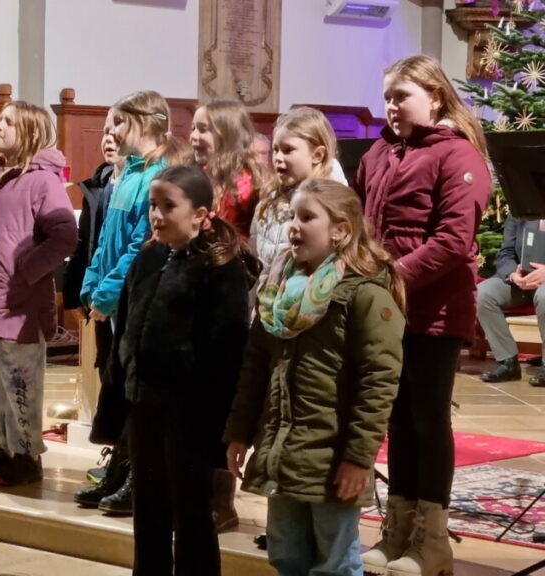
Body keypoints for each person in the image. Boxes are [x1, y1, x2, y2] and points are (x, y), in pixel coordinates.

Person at [226, 178, 405, 576]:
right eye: (292, 216)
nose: (294, 225)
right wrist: (240, 432)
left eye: (307, 217)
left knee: (334, 563)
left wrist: (358, 459)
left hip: (333, 457)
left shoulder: (364, 294)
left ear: (340, 230)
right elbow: (254, 369)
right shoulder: (277, 290)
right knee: (286, 555)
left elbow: (378, 383)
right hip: (284, 452)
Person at [356, 54, 491, 576]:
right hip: (385, 308)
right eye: (387, 97)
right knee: (397, 418)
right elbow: (364, 223)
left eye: (402, 96)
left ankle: (432, 541)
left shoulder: (458, 154)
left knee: (428, 420)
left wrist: (390, 279)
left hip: (435, 309)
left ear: (434, 98)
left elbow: (453, 241)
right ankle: (398, 529)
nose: (391, 106)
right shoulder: (379, 152)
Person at [111, 165, 254, 575]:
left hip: (191, 415)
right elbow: (127, 334)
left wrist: (226, 427)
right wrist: (119, 399)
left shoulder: (220, 269)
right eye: (153, 205)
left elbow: (228, 353)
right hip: (145, 407)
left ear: (200, 214)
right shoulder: (148, 258)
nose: (156, 215)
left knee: (192, 515)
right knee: (148, 511)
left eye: (168, 206)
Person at [79, 90, 185, 514]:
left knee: (134, 392)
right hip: (113, 298)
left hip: (136, 297)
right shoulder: (127, 172)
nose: (112, 132)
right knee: (117, 387)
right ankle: (119, 468)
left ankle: (137, 477)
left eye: (120, 123)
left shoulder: (158, 173)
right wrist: (91, 282)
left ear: (144, 123)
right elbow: (107, 237)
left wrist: (107, 293)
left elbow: (140, 246)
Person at [0, 101, 78, 487]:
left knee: (20, 385)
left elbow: (65, 236)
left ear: (30, 133)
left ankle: (27, 456)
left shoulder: (42, 181)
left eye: (9, 123)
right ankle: (2, 448)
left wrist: (26, 272)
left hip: (21, 303)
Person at [62, 110, 126, 512]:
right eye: (104, 131)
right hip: (100, 295)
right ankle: (117, 457)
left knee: (124, 379)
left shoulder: (134, 184)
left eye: (117, 132)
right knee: (108, 372)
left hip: (123, 297)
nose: (109, 139)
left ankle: (127, 463)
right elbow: (87, 243)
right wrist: (77, 293)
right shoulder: (99, 183)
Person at [251, 107, 339, 272]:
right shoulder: (270, 197)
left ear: (317, 155)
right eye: (276, 150)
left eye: (288, 150)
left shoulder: (331, 203)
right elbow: (257, 251)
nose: (278, 158)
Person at [478, 215, 545, 385]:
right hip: (520, 281)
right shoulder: (520, 210)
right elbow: (505, 253)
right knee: (482, 294)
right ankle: (507, 362)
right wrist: (513, 275)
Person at [189, 99, 264, 239]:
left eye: (203, 129)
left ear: (228, 135)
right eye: (193, 129)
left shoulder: (242, 185)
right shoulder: (195, 174)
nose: (193, 136)